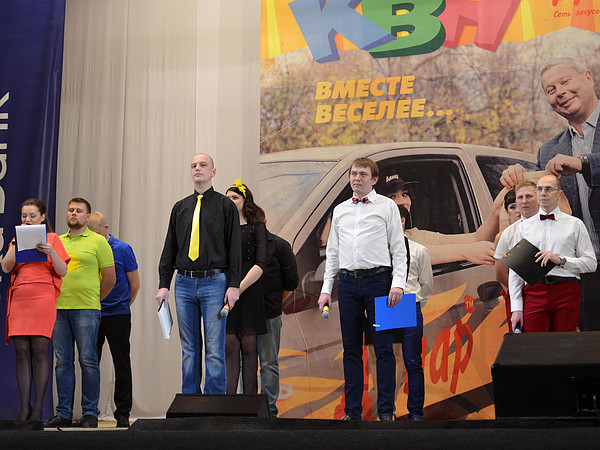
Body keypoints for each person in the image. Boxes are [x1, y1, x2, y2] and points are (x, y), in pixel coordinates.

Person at [501, 57, 600, 331]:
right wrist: (518, 180)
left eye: (565, 81)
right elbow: (539, 215)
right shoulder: (548, 151)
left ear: (588, 77)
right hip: (581, 276)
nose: (560, 93)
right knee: (588, 351)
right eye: (551, 90)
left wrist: (583, 163)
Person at [318, 157, 407, 421]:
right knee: (351, 348)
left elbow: (398, 249)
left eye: (363, 174)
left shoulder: (387, 206)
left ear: (374, 179)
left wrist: (398, 283)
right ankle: (353, 412)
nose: (357, 178)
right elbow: (333, 254)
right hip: (348, 283)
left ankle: (387, 411)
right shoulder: (340, 210)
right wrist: (326, 288)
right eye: (354, 173)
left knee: (384, 348)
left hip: (380, 281)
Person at [156, 153, 241, 394]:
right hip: (184, 283)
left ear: (213, 172)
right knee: (189, 349)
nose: (197, 168)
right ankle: (190, 401)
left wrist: (234, 284)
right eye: (193, 165)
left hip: (215, 282)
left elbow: (234, 248)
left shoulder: (226, 206)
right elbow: (169, 248)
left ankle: (214, 404)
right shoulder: (180, 208)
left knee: (214, 349)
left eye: (203, 165)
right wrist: (164, 284)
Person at [44, 198, 116, 428]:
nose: (73, 213)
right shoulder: (57, 241)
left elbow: (110, 278)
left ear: (87, 216)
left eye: (79, 211)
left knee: (88, 361)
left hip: (87, 309)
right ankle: (64, 413)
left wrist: (94, 299)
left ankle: (90, 414)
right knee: (63, 362)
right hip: (59, 308)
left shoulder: (98, 241)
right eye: (71, 210)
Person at [1, 199, 69, 421]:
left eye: (32, 216)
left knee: (40, 349)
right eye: (24, 216)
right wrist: (16, 244)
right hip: (20, 297)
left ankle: (38, 409)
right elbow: (6, 267)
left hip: (43, 296)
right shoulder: (16, 238)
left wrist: (51, 252)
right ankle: (24, 410)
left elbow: (63, 271)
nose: (27, 220)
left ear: (42, 217)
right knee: (21, 351)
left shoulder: (53, 238)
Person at [509, 175, 596, 333]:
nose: (543, 193)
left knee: (565, 344)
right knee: (534, 343)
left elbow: (591, 263)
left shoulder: (575, 224)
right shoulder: (524, 227)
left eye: (548, 189)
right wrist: (516, 308)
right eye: (539, 189)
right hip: (534, 291)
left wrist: (561, 260)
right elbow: (516, 271)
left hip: (566, 290)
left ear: (559, 194)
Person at [383, 172, 506, 266]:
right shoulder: (378, 237)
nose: (403, 202)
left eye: (404, 194)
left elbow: (476, 239)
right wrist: (466, 251)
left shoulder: (413, 235)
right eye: (392, 197)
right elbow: (407, 253)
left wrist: (496, 210)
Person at [88, 212, 140, 428]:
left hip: (117, 313)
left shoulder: (122, 249)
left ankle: (123, 412)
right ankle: (89, 411)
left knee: (122, 362)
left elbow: (135, 284)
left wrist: (122, 305)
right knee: (90, 363)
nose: (96, 239)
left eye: (98, 234)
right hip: (92, 313)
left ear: (106, 228)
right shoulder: (88, 248)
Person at [224, 180, 268, 395]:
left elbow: (261, 263)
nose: (231, 201)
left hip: (249, 290)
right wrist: (229, 289)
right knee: (229, 346)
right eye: (227, 198)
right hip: (225, 290)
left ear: (245, 201)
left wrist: (238, 289)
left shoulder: (257, 227)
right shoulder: (222, 229)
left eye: (235, 197)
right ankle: (228, 403)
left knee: (249, 346)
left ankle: (249, 402)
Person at [256, 229, 298, 417]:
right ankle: (244, 408)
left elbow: (291, 282)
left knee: (269, 363)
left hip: (270, 313)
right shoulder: (238, 244)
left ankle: (269, 411)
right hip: (243, 315)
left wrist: (275, 302)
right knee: (241, 364)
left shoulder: (280, 245)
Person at [397, 204, 432, 421]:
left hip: (409, 303)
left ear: (402, 221)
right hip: (386, 305)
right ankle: (386, 411)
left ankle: (416, 412)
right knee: (386, 361)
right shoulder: (377, 251)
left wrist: (416, 304)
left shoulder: (418, 250)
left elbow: (426, 285)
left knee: (412, 361)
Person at [494, 182, 539, 332]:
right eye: (512, 207)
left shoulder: (545, 226)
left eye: (528, 198)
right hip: (518, 293)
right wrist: (518, 292)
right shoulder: (505, 235)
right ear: (506, 211)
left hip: (543, 292)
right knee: (520, 334)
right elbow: (500, 273)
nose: (518, 210)